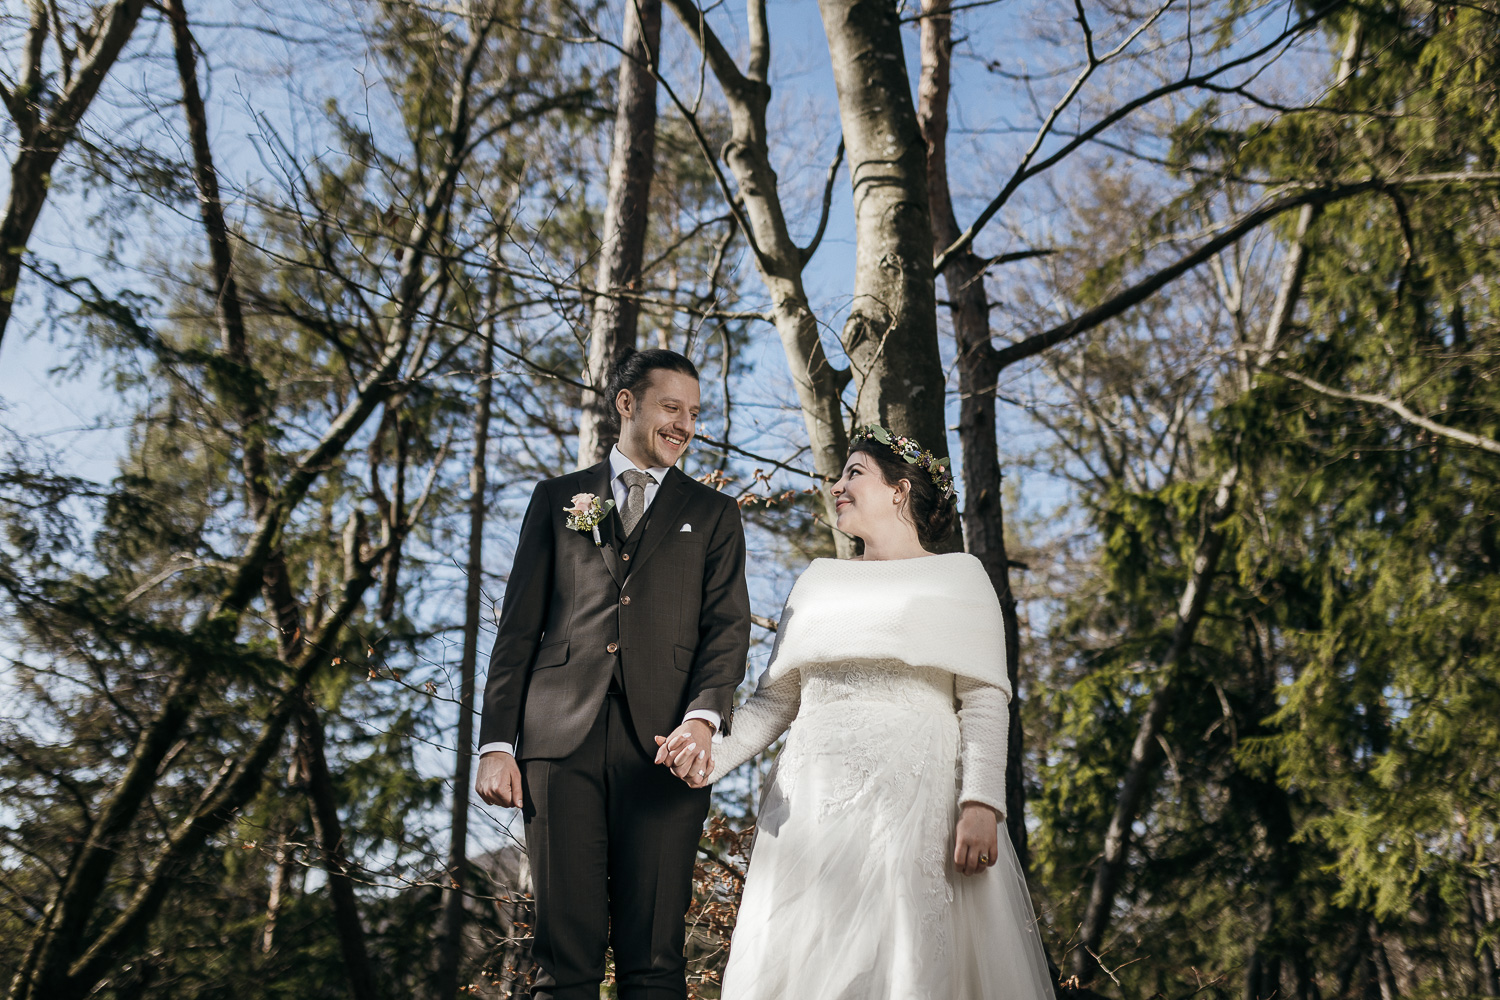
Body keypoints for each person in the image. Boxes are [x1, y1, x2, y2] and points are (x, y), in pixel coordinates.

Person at [660, 425, 1053, 999]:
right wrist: (708, 759)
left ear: (900, 491)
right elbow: (775, 701)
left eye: (854, 473)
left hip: (915, 806)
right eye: (840, 473)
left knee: (904, 960)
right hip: (812, 809)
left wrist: (981, 803)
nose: (837, 484)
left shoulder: (960, 577)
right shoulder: (818, 581)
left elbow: (984, 699)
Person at [475, 348, 751, 1000]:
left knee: (654, 961)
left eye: (693, 413)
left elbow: (727, 632)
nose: (685, 424)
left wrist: (703, 720)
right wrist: (495, 745)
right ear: (627, 403)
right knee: (560, 961)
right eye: (671, 407)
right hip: (556, 748)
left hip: (664, 752)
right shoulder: (555, 500)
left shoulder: (715, 516)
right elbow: (517, 631)